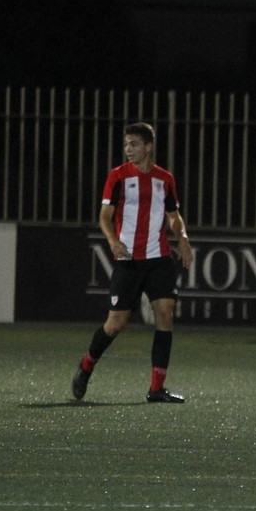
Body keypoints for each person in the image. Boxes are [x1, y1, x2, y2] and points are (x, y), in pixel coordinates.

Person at [71, 122, 195, 404]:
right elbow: (104, 216)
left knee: (165, 316)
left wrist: (183, 238)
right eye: (126, 144)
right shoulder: (117, 177)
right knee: (116, 323)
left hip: (159, 258)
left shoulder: (165, 179)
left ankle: (156, 389)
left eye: (134, 144)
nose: (128, 149)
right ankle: (86, 366)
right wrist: (113, 240)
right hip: (128, 260)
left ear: (148, 147)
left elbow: (173, 215)